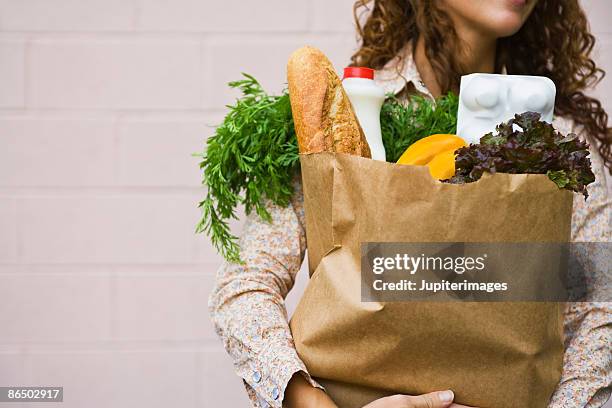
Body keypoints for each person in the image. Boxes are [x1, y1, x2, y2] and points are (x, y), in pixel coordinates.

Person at [209, 1, 612, 407]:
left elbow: (599, 311)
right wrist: (309, 403)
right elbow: (243, 285)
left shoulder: (560, 143)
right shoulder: (351, 111)